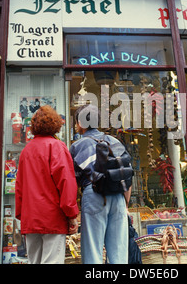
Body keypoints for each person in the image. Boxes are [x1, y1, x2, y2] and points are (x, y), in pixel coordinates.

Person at [15, 105, 79, 264]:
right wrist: (71, 215)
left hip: (30, 218)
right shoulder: (57, 147)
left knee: (33, 261)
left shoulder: (26, 151)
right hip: (52, 217)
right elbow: (65, 182)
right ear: (56, 125)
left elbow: (19, 187)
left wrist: (21, 215)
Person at [70, 104, 131, 264]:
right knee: (119, 254)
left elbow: (72, 183)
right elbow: (127, 176)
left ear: (81, 124)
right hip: (118, 196)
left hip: (94, 195)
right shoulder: (115, 141)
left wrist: (73, 212)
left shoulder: (77, 146)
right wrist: (125, 205)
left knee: (93, 252)